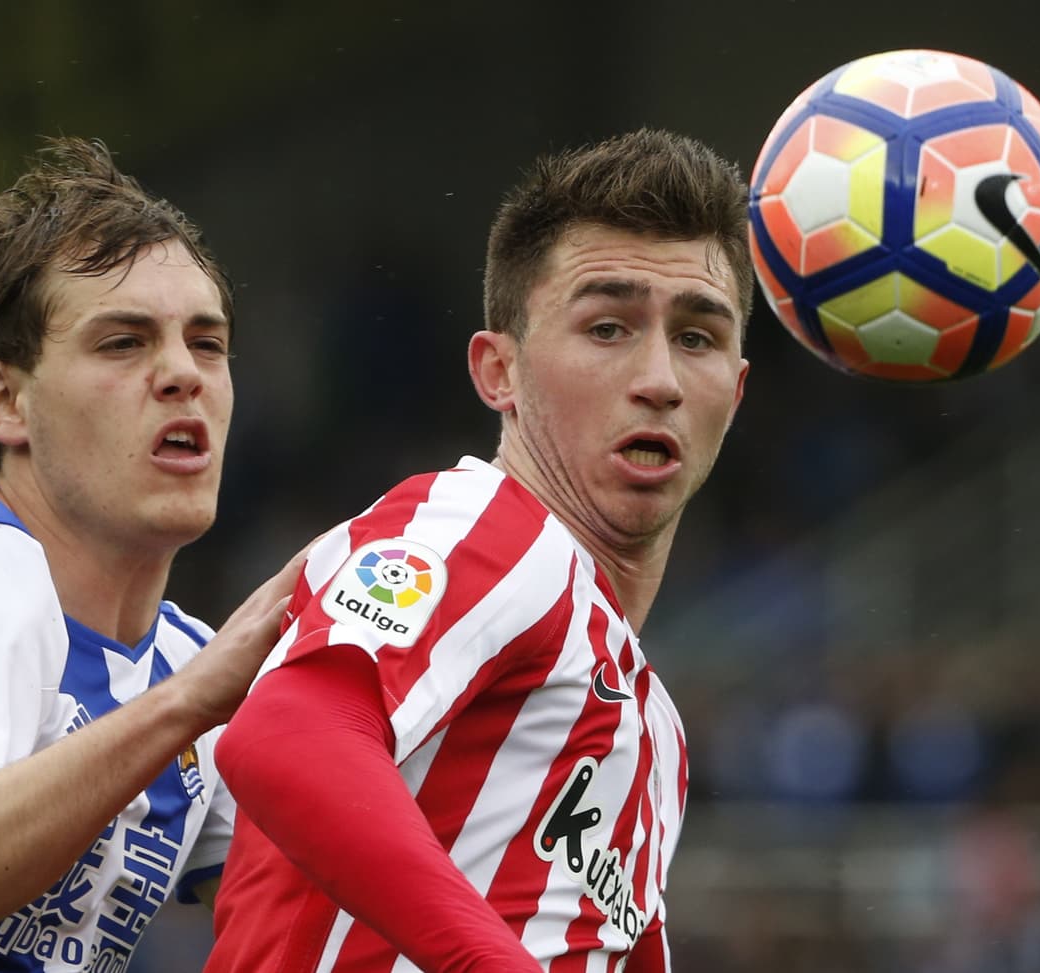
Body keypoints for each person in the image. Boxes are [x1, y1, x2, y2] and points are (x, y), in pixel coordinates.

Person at [206, 128, 754, 972]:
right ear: (498, 371)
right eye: (608, 327)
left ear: (737, 388)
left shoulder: (657, 735)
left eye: (696, 337)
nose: (660, 379)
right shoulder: (479, 524)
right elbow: (284, 737)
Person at [0, 137, 305, 973]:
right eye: (123, 343)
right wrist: (184, 707)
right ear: (5, 400)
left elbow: (308, 913)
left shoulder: (183, 659)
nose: (183, 373)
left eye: (208, 343)